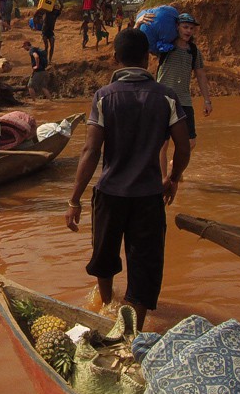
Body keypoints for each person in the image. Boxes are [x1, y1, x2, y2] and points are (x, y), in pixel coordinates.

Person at [64, 28, 189, 331]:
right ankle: (133, 332)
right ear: (148, 59)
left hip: (111, 194)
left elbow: (91, 150)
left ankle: (107, 309)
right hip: (148, 197)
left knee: (104, 255)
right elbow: (183, 147)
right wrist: (172, 178)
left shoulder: (104, 97)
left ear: (116, 59)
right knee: (144, 265)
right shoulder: (167, 97)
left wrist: (74, 199)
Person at [152, 12, 212, 157]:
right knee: (163, 144)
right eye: (185, 27)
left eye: (191, 28)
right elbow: (142, 43)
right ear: (177, 27)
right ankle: (165, 179)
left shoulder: (193, 51)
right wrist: (139, 23)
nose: (188, 31)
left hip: (184, 101)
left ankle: (175, 169)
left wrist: (207, 101)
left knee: (190, 143)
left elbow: (200, 75)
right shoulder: (165, 47)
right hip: (163, 100)